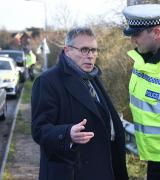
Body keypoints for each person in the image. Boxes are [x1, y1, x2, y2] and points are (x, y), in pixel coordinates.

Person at [31, 27, 129, 180]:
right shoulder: (47, 81)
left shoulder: (93, 77)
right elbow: (39, 130)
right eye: (84, 50)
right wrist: (67, 133)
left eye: (94, 50)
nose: (90, 56)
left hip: (102, 169)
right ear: (67, 50)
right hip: (71, 171)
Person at [122, 4, 160, 180]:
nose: (133, 39)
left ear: (156, 32)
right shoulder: (142, 60)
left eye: (136, 34)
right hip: (154, 158)